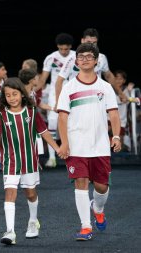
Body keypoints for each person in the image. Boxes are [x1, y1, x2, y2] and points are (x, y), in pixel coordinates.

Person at [57, 43, 121, 241]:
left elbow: (114, 114)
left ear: (96, 61)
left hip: (100, 145)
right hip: (77, 145)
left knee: (101, 186)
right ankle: (85, 227)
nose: (85, 59)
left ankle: (98, 208)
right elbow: (62, 118)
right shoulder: (69, 87)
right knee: (81, 183)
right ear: (76, 62)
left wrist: (116, 136)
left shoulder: (105, 87)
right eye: (81, 57)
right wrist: (64, 143)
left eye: (89, 56)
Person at [0, 77, 60, 245]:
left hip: (30, 161)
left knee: (31, 194)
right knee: (10, 193)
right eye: (8, 95)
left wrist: (57, 148)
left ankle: (33, 221)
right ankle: (10, 232)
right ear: (4, 97)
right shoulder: (1, 114)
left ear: (22, 94)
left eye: (15, 94)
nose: (12, 98)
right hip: (10, 162)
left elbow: (44, 132)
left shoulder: (32, 112)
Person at [55, 28, 127, 106]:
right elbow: (59, 81)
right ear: (82, 40)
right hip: (77, 99)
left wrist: (120, 93)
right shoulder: (72, 59)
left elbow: (109, 76)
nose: (91, 45)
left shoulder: (101, 58)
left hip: (96, 98)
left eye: (94, 42)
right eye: (88, 42)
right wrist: (58, 103)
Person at [38, 32, 75, 168]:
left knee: (73, 123)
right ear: (57, 47)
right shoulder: (51, 58)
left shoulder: (77, 56)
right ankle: (52, 157)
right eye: (61, 49)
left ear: (71, 46)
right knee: (53, 122)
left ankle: (73, 155)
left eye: (66, 49)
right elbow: (43, 79)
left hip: (73, 92)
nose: (64, 51)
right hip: (55, 94)